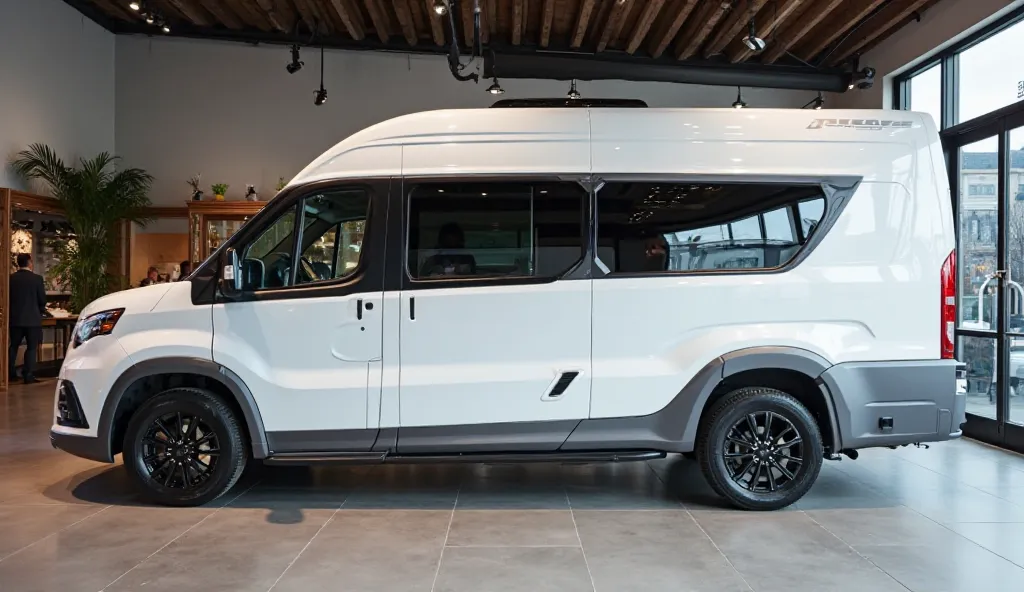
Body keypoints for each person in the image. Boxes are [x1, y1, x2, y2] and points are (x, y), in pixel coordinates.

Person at [8, 253, 47, 384]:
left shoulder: (11, 279)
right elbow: (42, 299)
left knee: (13, 346)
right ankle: (28, 375)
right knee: (31, 347)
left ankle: (10, 374)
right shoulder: (37, 279)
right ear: (30, 262)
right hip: (32, 319)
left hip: (15, 319)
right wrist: (42, 309)